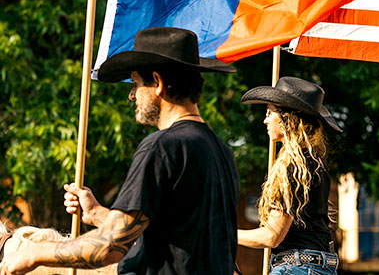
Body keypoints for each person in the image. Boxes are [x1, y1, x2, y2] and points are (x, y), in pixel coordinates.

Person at [0, 27, 239, 275]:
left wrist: (33, 253)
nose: (131, 95)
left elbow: (108, 248)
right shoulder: (220, 150)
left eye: (135, 83)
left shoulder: (162, 147)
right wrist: (96, 214)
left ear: (157, 83)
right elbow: (176, 234)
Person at [237, 77, 341, 275]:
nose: (265, 120)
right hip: (319, 266)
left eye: (270, 112)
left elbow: (272, 236)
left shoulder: (292, 167)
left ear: (287, 118)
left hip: (296, 267)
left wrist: (224, 235)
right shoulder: (314, 162)